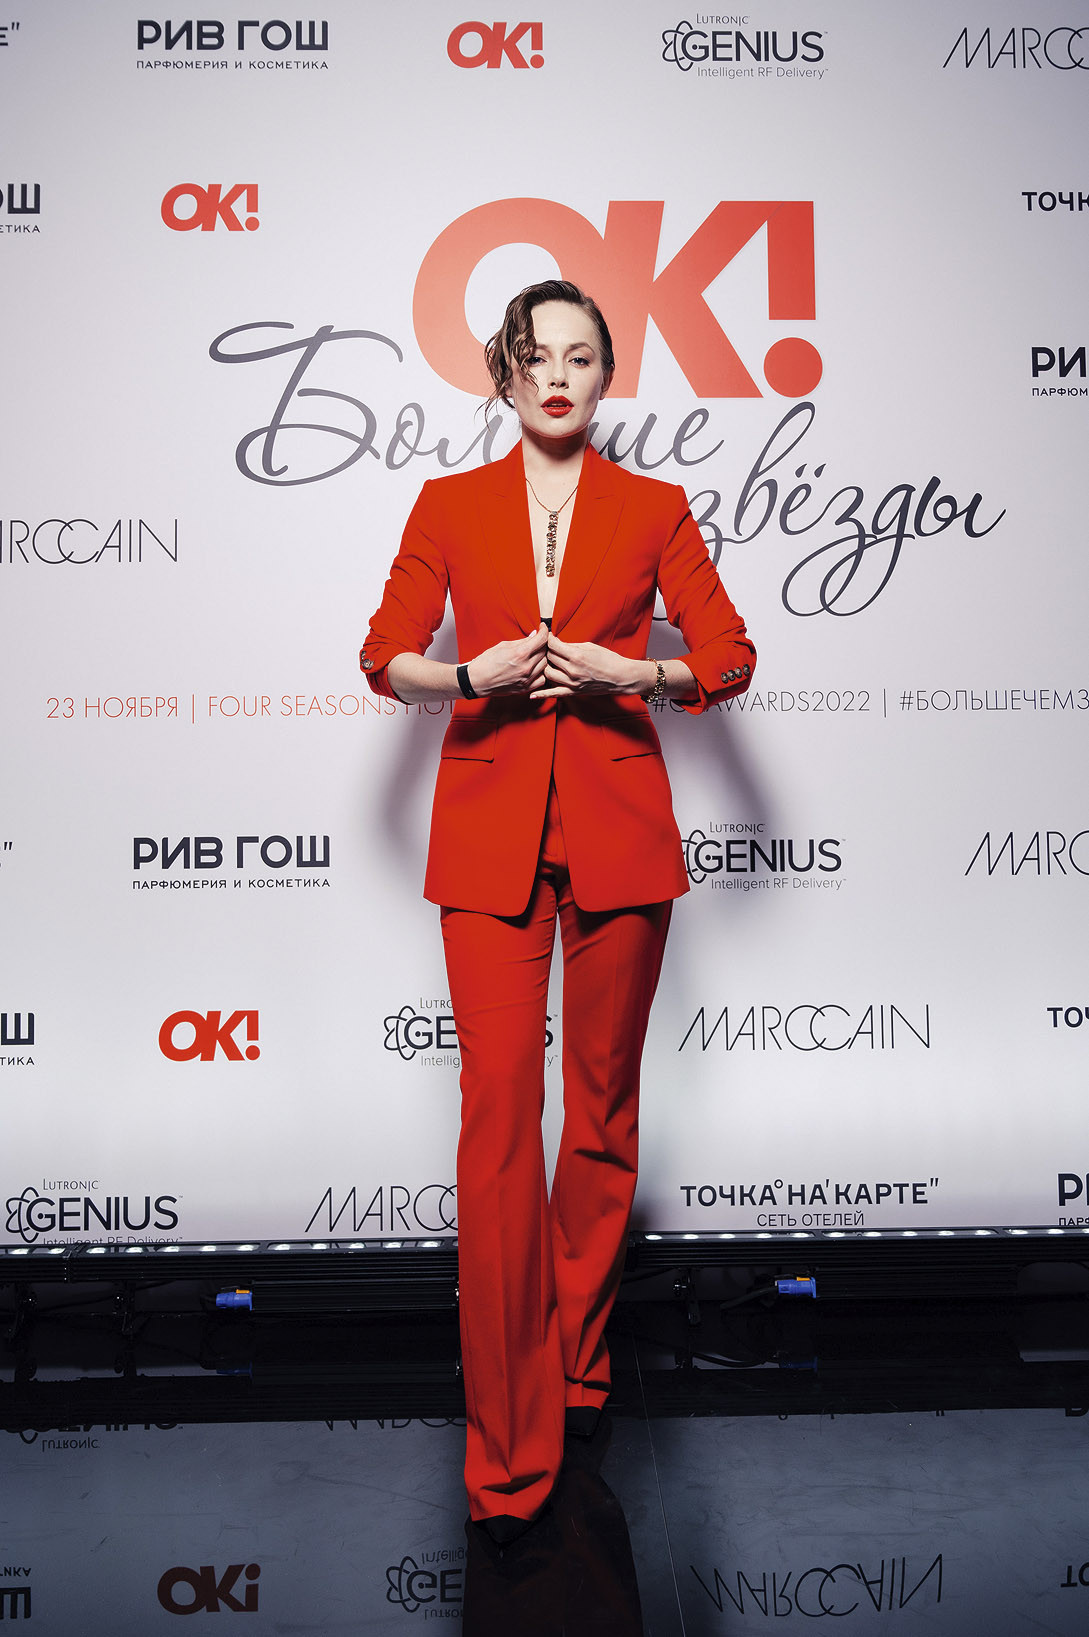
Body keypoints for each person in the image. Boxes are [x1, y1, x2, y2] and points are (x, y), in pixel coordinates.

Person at [360, 279, 754, 1543]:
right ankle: (509, 1441)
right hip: (487, 841)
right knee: (496, 1126)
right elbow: (383, 653)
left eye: (581, 357)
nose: (558, 377)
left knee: (600, 1116)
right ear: (505, 373)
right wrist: (463, 673)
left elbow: (729, 652)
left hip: (620, 835)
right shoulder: (449, 503)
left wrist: (637, 669)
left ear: (604, 375)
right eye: (536, 357)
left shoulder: (654, 506)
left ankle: (578, 1363)